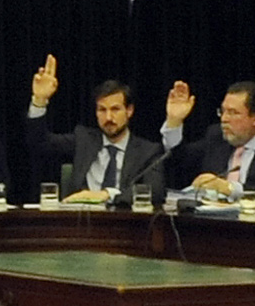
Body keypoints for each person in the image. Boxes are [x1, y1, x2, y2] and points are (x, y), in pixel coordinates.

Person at [23, 58, 171, 204]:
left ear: (129, 111)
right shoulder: (84, 140)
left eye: (115, 109)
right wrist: (39, 101)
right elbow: (39, 143)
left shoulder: (148, 151)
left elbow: (155, 191)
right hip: (81, 216)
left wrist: (106, 195)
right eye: (102, 110)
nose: (108, 117)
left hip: (124, 217)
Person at [169, 79, 255, 198]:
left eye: (233, 112)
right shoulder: (216, 137)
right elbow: (180, 163)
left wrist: (229, 188)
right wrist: (174, 121)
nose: (224, 119)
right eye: (223, 111)